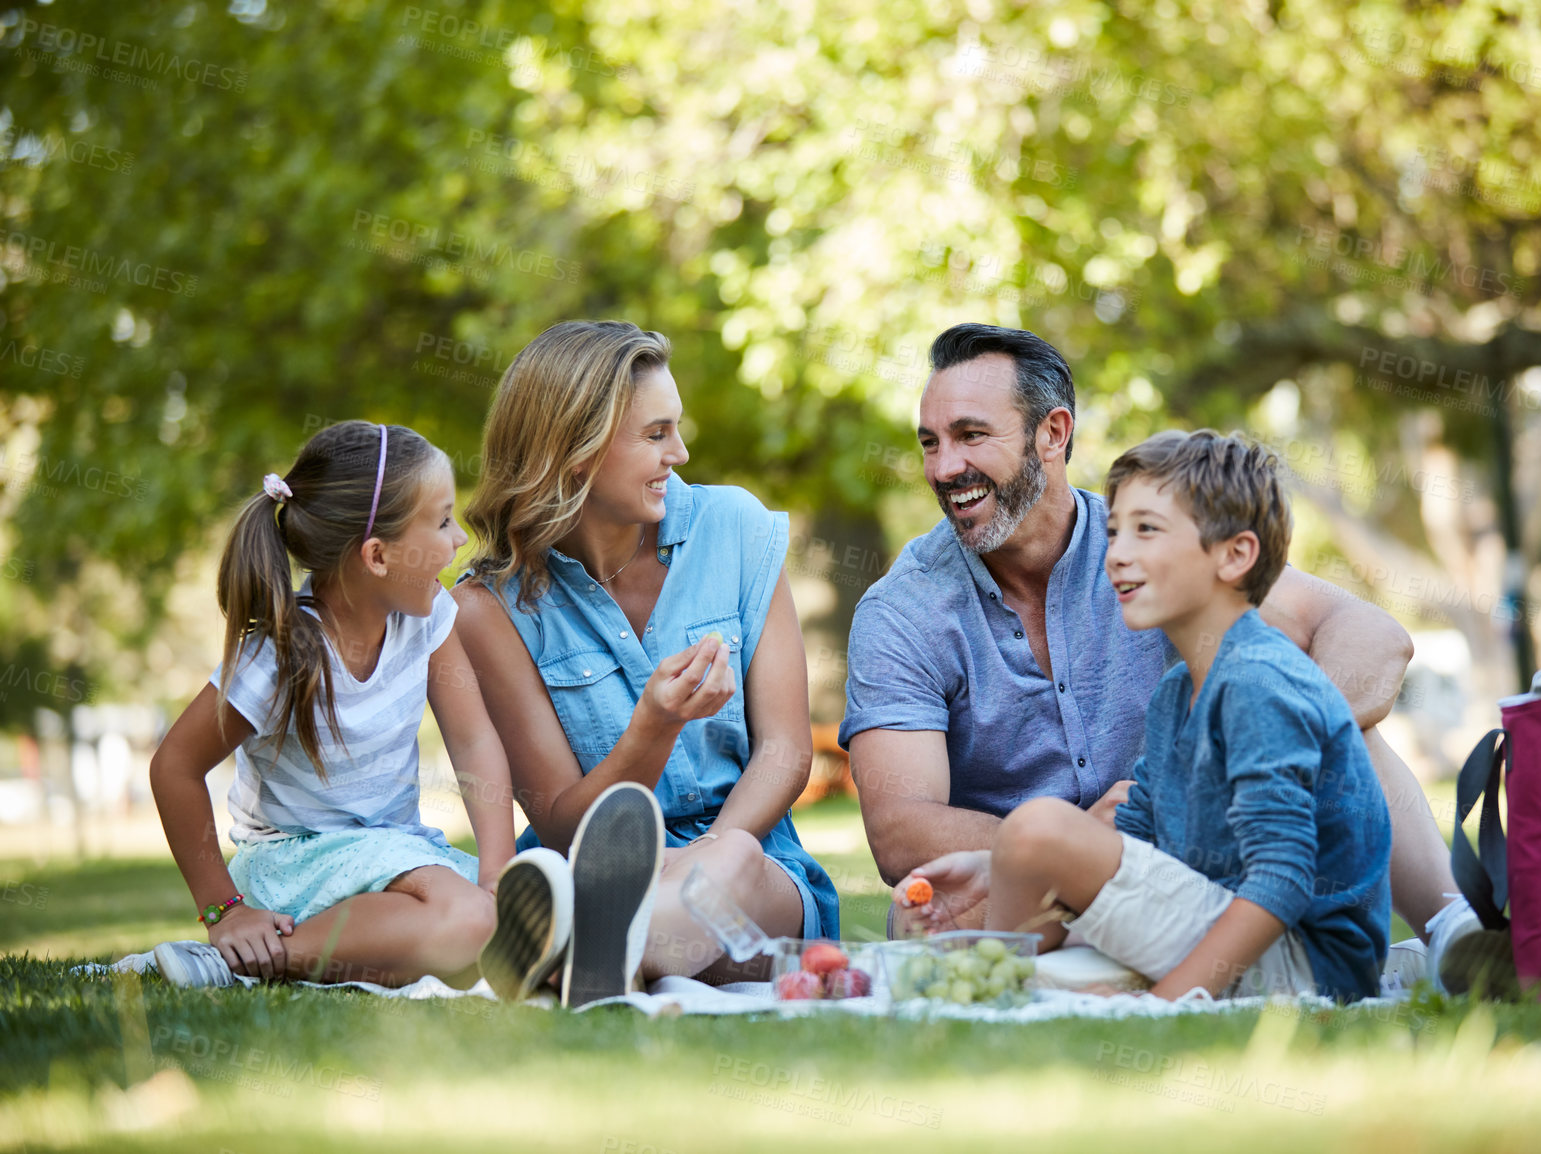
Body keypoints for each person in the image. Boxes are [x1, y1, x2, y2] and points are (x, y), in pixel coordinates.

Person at [848, 324, 1474, 983]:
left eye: (971, 435)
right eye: (930, 443)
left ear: (1052, 433)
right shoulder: (903, 610)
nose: (944, 468)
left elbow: (1372, 636)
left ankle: (1453, 929)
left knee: (1334, 722)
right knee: (920, 911)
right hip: (1047, 884)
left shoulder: (1162, 552)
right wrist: (1071, 841)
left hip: (1204, 849)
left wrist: (1260, 751)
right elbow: (899, 831)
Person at [895, 430, 1391, 1001]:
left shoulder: (1258, 684)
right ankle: (998, 984)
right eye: (1113, 533)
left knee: (1039, 825)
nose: (1118, 554)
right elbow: (1132, 835)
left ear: (1235, 555)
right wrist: (1001, 866)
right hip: (1215, 918)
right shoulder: (1179, 690)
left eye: (1146, 530)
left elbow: (1281, 879)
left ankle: (994, 995)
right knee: (1040, 877)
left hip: (1307, 965)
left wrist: (1165, 1007)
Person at [453, 320, 839, 993]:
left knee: (733, 865)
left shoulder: (738, 530)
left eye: (676, 428)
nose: (681, 453)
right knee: (669, 893)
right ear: (577, 451)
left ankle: (583, 953)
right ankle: (603, 957)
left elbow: (786, 751)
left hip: (748, 862)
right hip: (587, 868)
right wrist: (651, 731)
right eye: (656, 434)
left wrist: (701, 854)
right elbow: (562, 823)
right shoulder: (488, 611)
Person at [148, 421, 516, 990]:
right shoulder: (280, 651)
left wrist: (498, 872)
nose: (460, 538)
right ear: (377, 556)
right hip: (294, 865)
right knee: (472, 923)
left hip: (391, 855)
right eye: (442, 521)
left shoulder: (429, 618)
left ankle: (278, 961)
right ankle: (240, 954)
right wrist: (224, 911)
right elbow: (174, 766)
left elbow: (473, 740)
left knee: (500, 918)